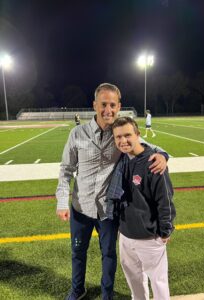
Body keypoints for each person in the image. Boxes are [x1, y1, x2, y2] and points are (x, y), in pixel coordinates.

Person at [56, 83, 168, 300]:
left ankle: (107, 294)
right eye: (103, 104)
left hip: (108, 211)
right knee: (78, 252)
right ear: (94, 105)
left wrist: (163, 154)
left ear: (119, 106)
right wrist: (61, 201)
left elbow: (147, 146)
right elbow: (66, 170)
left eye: (112, 105)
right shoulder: (77, 133)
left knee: (108, 254)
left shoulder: (120, 134)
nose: (108, 110)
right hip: (81, 208)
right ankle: (77, 289)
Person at [111, 117, 176, 300]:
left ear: (138, 135)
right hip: (125, 234)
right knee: (134, 282)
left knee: (159, 282)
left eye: (127, 135)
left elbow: (165, 201)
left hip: (149, 237)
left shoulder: (153, 162)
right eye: (118, 137)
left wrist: (165, 231)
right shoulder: (122, 160)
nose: (123, 141)